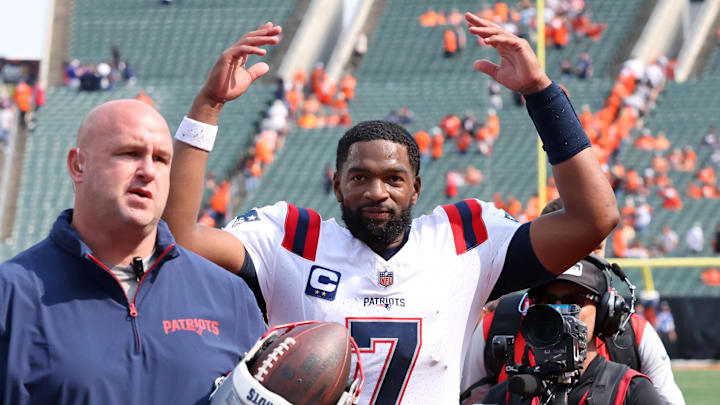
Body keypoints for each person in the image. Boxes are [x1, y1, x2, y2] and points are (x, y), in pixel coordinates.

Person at [164, 17, 619, 404]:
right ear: (338, 184)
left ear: (416, 188)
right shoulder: (290, 237)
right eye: (359, 177)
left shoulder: (464, 240)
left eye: (393, 179)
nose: (376, 191)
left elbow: (593, 219)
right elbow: (179, 234)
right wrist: (208, 106)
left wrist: (542, 94)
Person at [0, 100, 265, 404]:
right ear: (78, 165)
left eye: (162, 159)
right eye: (130, 154)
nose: (148, 171)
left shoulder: (228, 295)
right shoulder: (11, 295)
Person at [462, 199, 686, 405]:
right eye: (547, 301)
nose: (580, 255)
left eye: (594, 247)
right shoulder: (497, 326)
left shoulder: (634, 337)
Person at [479, 263, 662, 405]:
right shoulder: (509, 395)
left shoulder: (630, 391)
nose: (557, 311)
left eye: (574, 301)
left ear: (605, 312)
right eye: (546, 302)